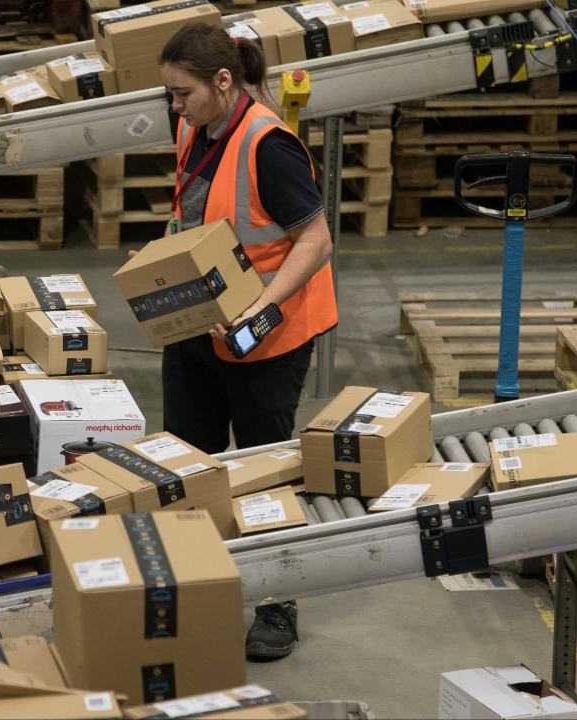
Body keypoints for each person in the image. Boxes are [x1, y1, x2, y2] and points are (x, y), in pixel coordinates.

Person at [158, 24, 338, 660]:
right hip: (198, 324)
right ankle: (194, 586)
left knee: (263, 471)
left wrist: (259, 307)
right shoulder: (192, 125)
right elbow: (198, 213)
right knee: (186, 462)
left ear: (224, 82)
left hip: (268, 334)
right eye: (171, 96)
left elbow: (314, 241)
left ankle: (277, 601)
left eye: (183, 94)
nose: (175, 108)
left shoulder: (269, 145)